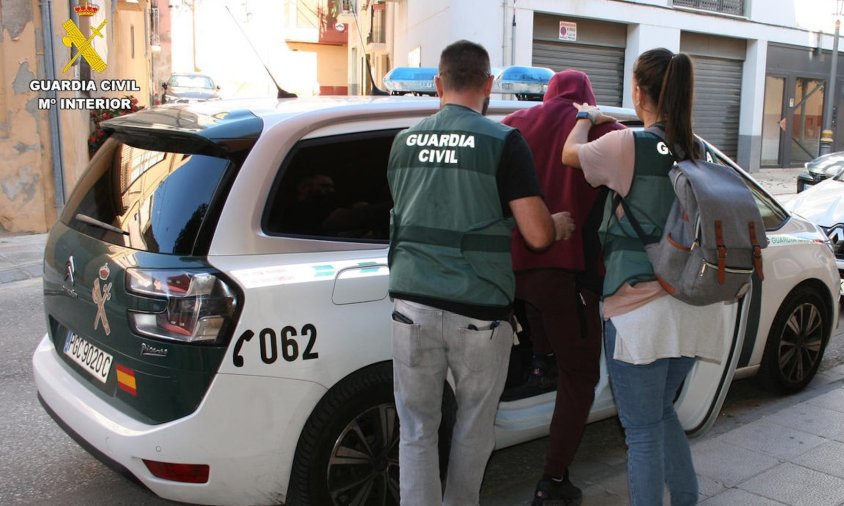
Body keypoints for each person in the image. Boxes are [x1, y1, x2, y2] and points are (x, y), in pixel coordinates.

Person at [387, 40, 575, 506]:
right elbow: (535, 235)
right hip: (478, 312)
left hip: (411, 304)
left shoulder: (403, 142)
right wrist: (557, 224)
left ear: (438, 84)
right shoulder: (503, 142)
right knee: (473, 427)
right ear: (488, 85)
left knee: (415, 431)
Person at [561, 48, 729, 505]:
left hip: (640, 314)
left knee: (641, 433)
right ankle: (687, 499)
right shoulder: (695, 149)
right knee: (660, 416)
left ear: (638, 92)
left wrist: (586, 116)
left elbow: (569, 155)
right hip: (697, 307)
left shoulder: (626, 144)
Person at [502, 69, 625, 506]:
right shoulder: (606, 130)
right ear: (587, 98)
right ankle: (552, 482)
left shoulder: (512, 123)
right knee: (582, 375)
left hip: (509, 268)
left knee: (536, 315)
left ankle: (539, 362)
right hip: (567, 270)